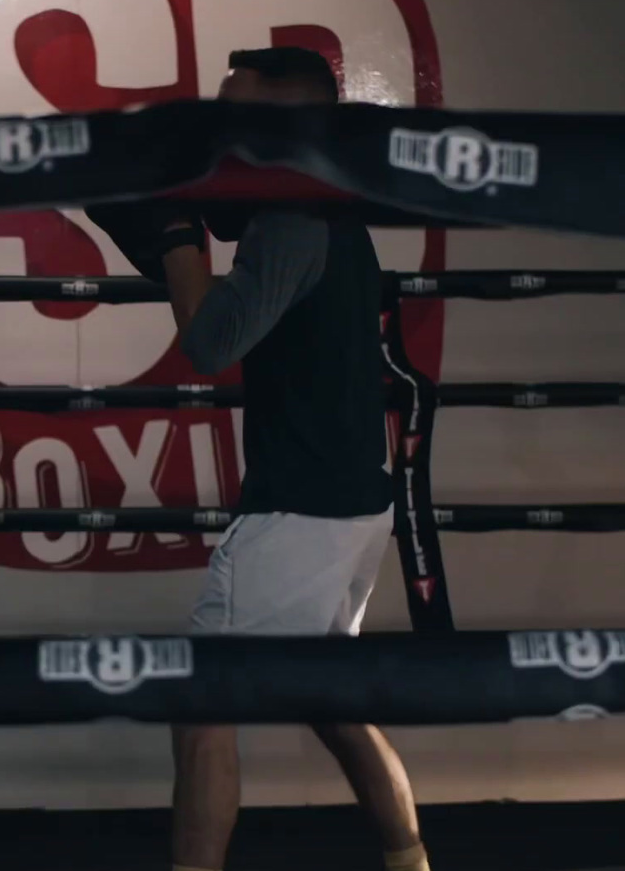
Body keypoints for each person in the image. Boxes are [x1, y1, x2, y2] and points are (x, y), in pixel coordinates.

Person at [86, 47, 430, 871]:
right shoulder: (320, 207)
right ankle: (410, 861)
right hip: (353, 504)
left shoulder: (293, 220)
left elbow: (210, 341)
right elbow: (244, 283)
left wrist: (172, 234)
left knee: (200, 701)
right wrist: (157, 228)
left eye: (236, 114)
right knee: (333, 699)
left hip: (301, 513)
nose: (222, 130)